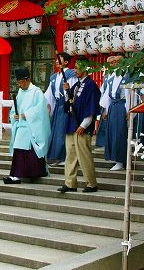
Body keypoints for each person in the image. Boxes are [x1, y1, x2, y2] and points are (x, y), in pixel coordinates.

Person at [58, 58, 100, 193]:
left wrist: (84, 125)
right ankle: (70, 183)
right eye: (74, 67)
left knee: (84, 155)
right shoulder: (76, 85)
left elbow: (91, 108)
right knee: (70, 155)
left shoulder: (91, 86)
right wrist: (67, 91)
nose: (75, 70)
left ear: (86, 69)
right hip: (71, 124)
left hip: (82, 125)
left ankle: (91, 183)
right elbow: (68, 104)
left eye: (78, 68)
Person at [5, 67, 51, 184]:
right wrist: (14, 115)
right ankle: (17, 174)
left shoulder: (36, 92)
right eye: (18, 82)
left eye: (22, 82)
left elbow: (40, 109)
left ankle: (30, 173)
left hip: (31, 126)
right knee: (19, 148)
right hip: (21, 124)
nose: (20, 85)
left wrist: (28, 114)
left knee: (28, 149)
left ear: (28, 79)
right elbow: (15, 108)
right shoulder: (20, 92)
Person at [44, 52, 76, 166]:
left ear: (66, 62)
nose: (57, 61)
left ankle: (63, 157)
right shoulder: (54, 77)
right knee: (55, 131)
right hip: (57, 105)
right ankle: (55, 156)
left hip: (66, 105)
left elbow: (72, 91)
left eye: (60, 59)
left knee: (62, 131)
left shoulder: (71, 75)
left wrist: (70, 105)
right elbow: (49, 94)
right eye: (57, 59)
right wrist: (47, 105)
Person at [99, 55, 131, 171]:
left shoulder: (127, 76)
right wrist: (106, 109)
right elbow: (108, 95)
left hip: (121, 106)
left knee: (119, 134)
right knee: (112, 133)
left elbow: (128, 95)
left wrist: (129, 110)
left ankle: (120, 161)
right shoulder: (112, 77)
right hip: (113, 106)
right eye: (112, 63)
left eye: (117, 62)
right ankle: (115, 158)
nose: (114, 65)